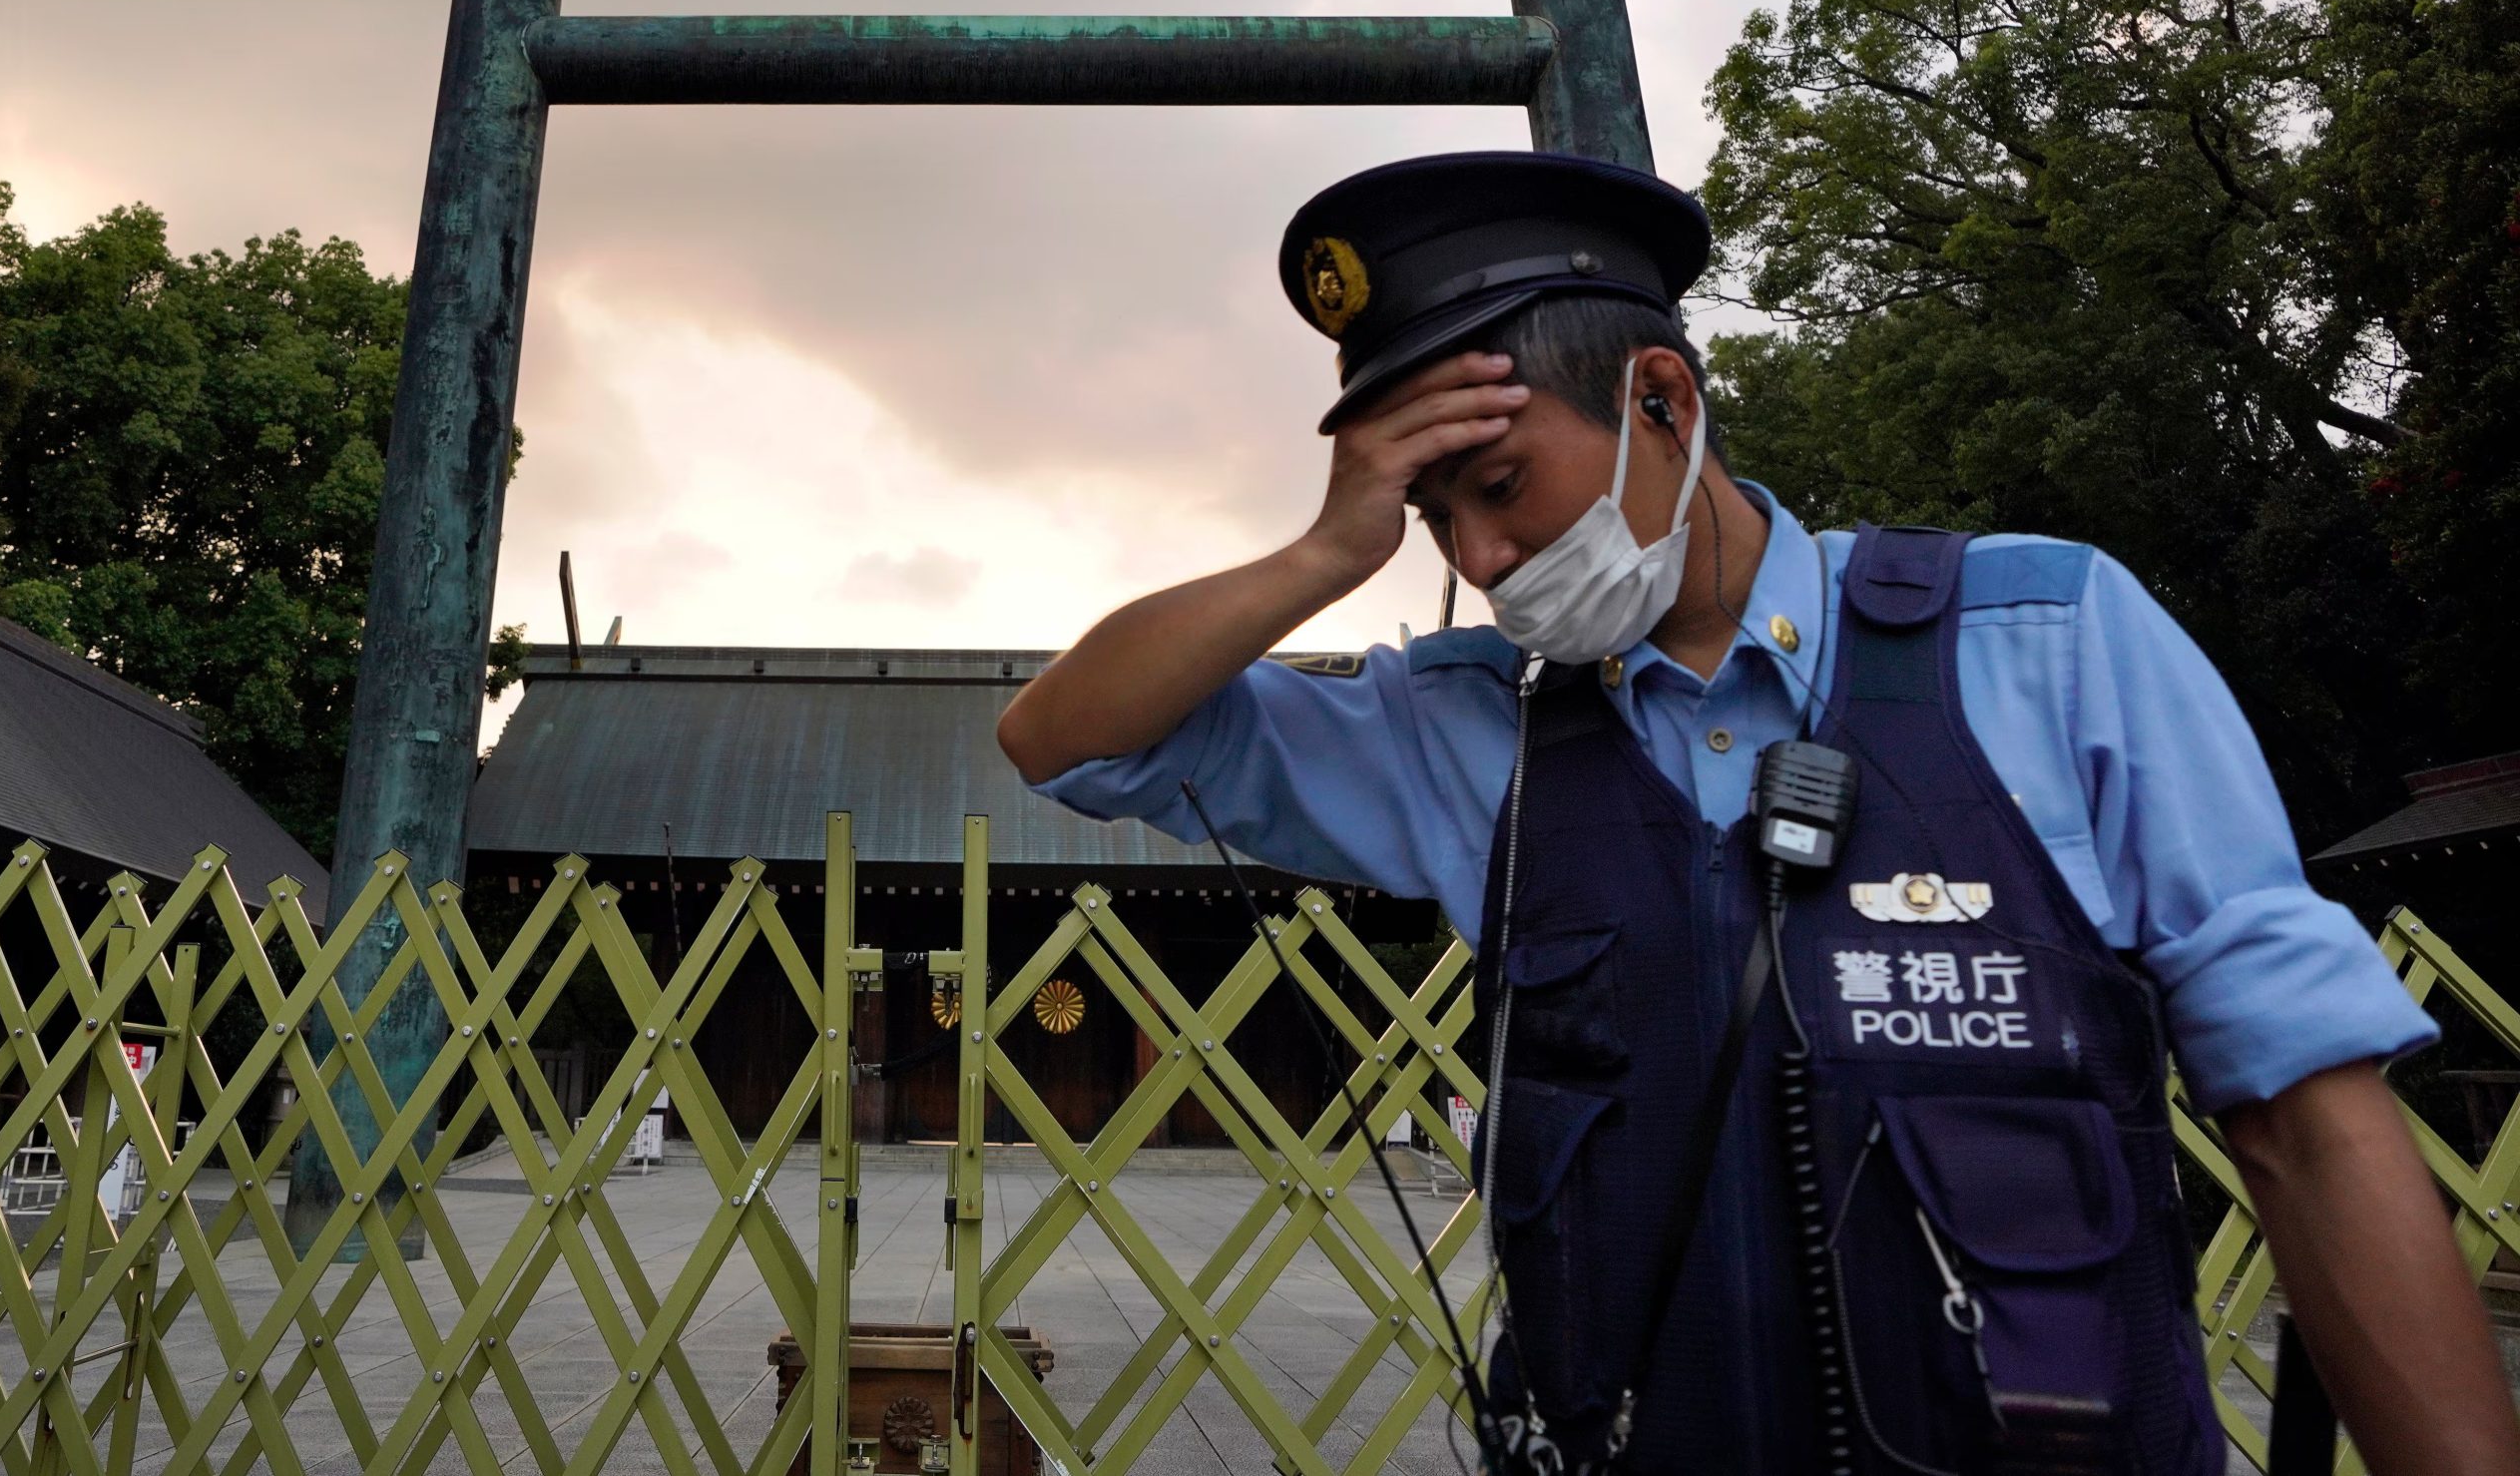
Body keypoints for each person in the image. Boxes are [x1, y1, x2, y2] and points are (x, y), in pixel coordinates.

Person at [996, 151, 2520, 1475]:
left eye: (1503, 485)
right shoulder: (1460, 731)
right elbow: (1068, 742)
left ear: (1663, 396)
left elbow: (2313, 1125)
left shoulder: (2047, 639)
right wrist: (1329, 555)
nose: (1486, 555)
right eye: (1436, 517)